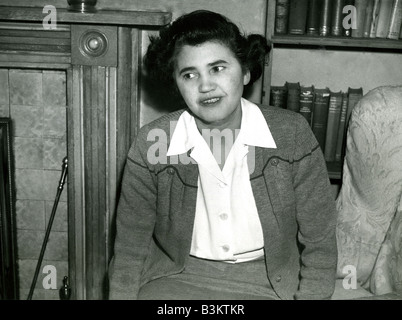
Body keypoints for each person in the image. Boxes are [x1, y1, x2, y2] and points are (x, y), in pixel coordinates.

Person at [108, 10, 337, 300]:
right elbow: (129, 247)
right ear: (176, 83)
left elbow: (320, 241)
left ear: (246, 71)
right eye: (189, 74)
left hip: (268, 279)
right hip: (175, 278)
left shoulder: (292, 135)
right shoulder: (152, 143)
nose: (205, 86)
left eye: (217, 68)